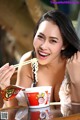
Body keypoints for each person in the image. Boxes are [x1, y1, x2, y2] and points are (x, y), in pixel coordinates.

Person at [0, 10, 80, 111]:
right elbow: (15, 110)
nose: (43, 46)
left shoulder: (76, 63)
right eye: (40, 37)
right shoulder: (28, 62)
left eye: (53, 41)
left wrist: (76, 81)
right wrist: (5, 88)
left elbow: (77, 112)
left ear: (65, 44)